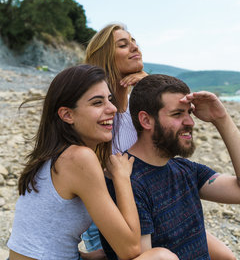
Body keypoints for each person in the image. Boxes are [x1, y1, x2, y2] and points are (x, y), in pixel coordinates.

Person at [83, 23, 235, 260]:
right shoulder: (100, 118)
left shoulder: (181, 168)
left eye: (134, 41)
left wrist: (221, 118)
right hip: (117, 208)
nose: (135, 47)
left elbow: (160, 119)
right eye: (123, 45)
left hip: (157, 195)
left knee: (224, 255)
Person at [7, 64, 170, 260]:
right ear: (67, 115)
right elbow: (131, 249)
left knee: (102, 255)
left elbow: (44, 234)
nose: (113, 109)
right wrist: (122, 178)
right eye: (97, 103)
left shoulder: (55, 153)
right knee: (161, 257)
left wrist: (86, 256)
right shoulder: (79, 158)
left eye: (109, 100)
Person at [101, 74, 239, 259]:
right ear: (146, 120)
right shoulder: (125, 180)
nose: (190, 122)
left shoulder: (183, 168)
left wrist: (221, 118)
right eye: (177, 114)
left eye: (189, 113)